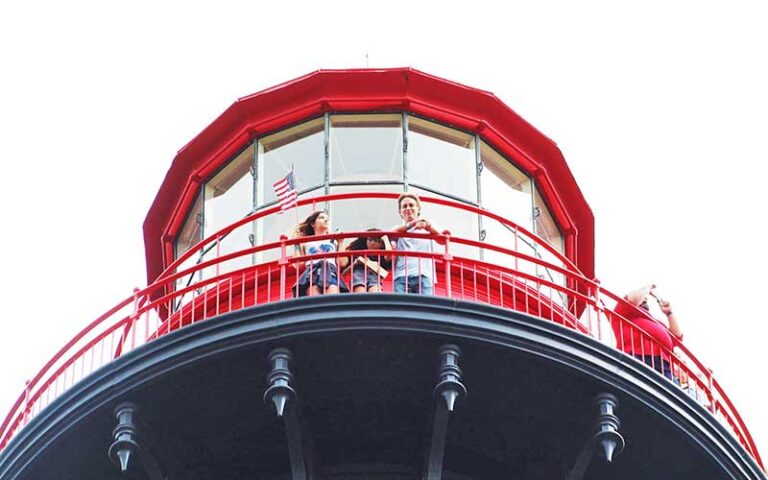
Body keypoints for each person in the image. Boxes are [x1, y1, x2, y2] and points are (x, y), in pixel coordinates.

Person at [612, 284, 683, 380]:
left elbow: (677, 337)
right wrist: (648, 288)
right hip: (638, 356)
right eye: (643, 299)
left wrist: (669, 313)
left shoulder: (657, 322)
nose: (645, 300)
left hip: (664, 364)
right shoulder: (624, 310)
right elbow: (633, 299)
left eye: (646, 300)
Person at [391, 193, 441, 295]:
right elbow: (391, 234)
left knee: (426, 308)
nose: (408, 208)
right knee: (401, 309)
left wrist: (428, 225)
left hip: (424, 275)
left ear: (418, 209)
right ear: (400, 212)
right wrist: (413, 223)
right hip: (402, 277)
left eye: (411, 205)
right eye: (404, 206)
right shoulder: (399, 229)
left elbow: (443, 240)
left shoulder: (428, 227)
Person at [291, 211, 349, 297]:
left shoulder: (334, 241)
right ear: (313, 224)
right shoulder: (306, 242)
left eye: (327, 219)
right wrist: (296, 244)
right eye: (321, 218)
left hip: (330, 270)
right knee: (314, 300)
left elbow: (342, 262)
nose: (325, 220)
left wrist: (341, 242)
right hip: (312, 272)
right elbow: (298, 264)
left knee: (332, 298)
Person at [342, 229, 392, 293]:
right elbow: (343, 273)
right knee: (359, 287)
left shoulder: (381, 256)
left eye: (376, 241)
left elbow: (389, 255)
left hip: (374, 281)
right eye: (370, 240)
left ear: (381, 244)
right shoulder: (358, 253)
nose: (372, 243)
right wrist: (355, 263)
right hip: (359, 280)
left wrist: (385, 239)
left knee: (375, 290)